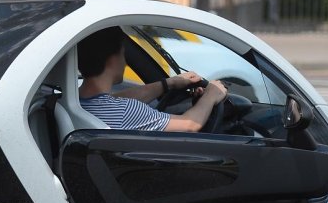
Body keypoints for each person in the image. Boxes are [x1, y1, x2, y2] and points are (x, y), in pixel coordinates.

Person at [77, 27, 227, 132]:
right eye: (124, 55)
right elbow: (189, 124)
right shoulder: (126, 111)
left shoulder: (75, 101)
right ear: (112, 60)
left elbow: (114, 100)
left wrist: (168, 83)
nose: (125, 62)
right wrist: (211, 94)